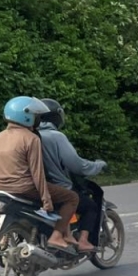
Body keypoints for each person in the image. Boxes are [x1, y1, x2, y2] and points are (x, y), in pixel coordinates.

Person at [0, 96, 77, 252]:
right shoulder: (31, 138)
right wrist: (46, 200)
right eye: (36, 116)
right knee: (71, 197)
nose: (37, 120)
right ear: (26, 116)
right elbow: (38, 173)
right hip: (24, 188)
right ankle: (57, 236)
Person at [37, 99, 106, 253]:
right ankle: (83, 241)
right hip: (56, 187)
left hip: (30, 186)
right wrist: (98, 165)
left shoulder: (28, 135)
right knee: (89, 206)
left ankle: (65, 234)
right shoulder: (56, 136)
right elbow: (77, 165)